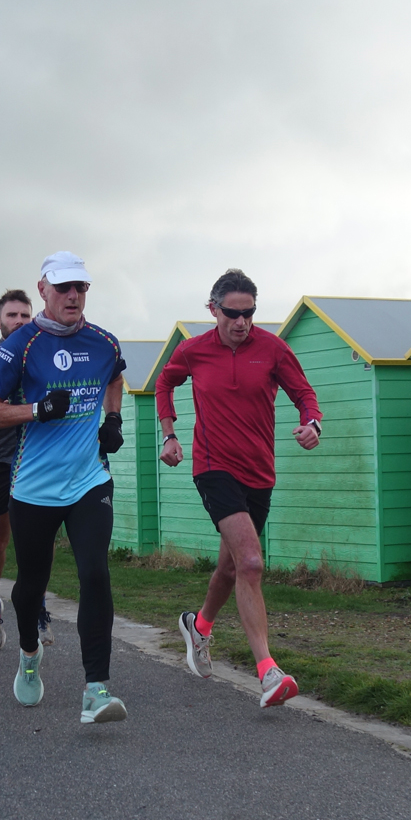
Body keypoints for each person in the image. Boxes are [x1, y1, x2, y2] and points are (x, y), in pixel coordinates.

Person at [156, 268, 323, 708]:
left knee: (232, 568)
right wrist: (169, 433)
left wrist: (312, 423)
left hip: (259, 473)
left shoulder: (271, 349)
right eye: (232, 313)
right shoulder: (193, 352)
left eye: (249, 313)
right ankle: (268, 672)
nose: (242, 322)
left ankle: (199, 627)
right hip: (213, 468)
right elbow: (164, 382)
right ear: (213, 310)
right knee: (251, 561)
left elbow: (304, 394)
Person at [0, 251, 129, 725]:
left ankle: (96, 690)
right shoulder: (20, 345)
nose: (73, 296)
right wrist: (36, 410)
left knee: (95, 575)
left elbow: (115, 376)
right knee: (30, 588)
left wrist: (113, 419)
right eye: (63, 288)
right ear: (43, 289)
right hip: (34, 487)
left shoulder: (103, 341)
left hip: (88, 480)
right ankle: (28, 653)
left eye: (80, 287)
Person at [0, 289, 54, 650]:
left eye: (25, 315)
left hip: (36, 460)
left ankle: (37, 606)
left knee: (35, 541)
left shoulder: (44, 355)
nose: (19, 321)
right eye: (12, 316)